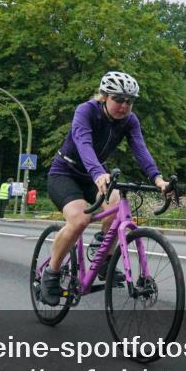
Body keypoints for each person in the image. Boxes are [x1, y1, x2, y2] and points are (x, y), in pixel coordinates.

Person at [40, 71, 170, 306]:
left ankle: (104, 256)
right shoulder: (86, 111)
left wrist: (158, 180)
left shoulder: (130, 121)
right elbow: (83, 143)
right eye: (118, 99)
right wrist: (98, 172)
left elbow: (140, 149)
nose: (124, 106)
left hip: (97, 174)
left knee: (117, 202)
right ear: (104, 97)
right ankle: (51, 273)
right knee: (79, 220)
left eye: (129, 101)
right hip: (65, 173)